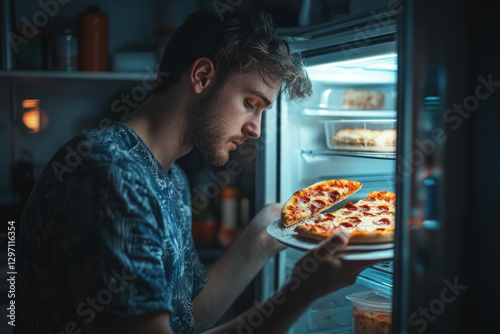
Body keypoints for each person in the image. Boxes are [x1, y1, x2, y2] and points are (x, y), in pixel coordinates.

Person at [16, 9, 379, 334]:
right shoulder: (109, 172)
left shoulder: (171, 178)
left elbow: (189, 314)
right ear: (203, 76)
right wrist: (304, 290)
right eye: (250, 104)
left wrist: (266, 234)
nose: (255, 129)